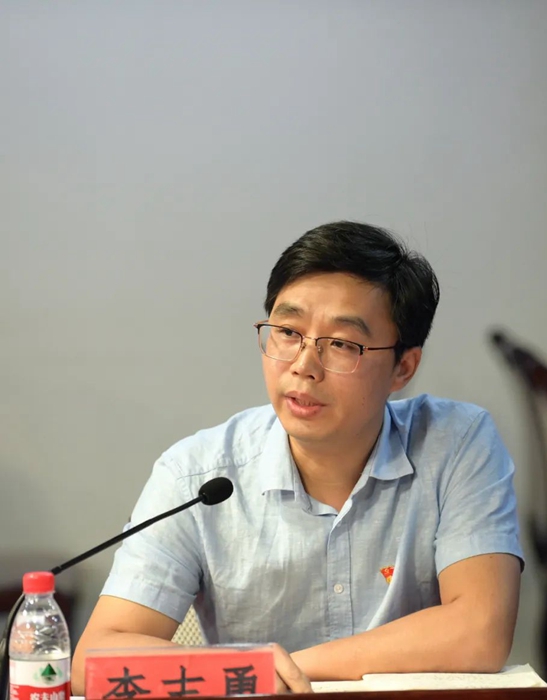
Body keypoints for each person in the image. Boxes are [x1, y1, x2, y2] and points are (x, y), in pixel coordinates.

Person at [71, 221, 523, 694]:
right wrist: (251, 669)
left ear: (402, 368)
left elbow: (480, 631)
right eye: (288, 332)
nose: (304, 367)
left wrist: (273, 669)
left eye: (342, 344)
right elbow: (96, 659)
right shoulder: (196, 474)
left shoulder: (456, 443)